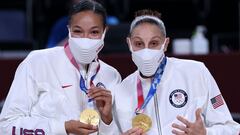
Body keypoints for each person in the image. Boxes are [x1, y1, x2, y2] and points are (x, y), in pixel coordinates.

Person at [0, 0, 121, 135]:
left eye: (94, 32)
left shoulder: (112, 75)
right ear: (68, 30)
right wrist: (62, 128)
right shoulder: (38, 62)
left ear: (105, 31)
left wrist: (107, 120)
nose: (85, 39)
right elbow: (6, 126)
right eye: (78, 31)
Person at [111, 9, 240, 134]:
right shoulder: (122, 90)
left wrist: (205, 133)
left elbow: (232, 129)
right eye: (139, 44)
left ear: (165, 44)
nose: (146, 51)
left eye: (154, 43)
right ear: (129, 44)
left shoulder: (196, 72)